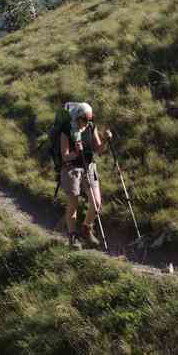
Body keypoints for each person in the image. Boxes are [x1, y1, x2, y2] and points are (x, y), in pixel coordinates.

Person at [55, 102, 113, 247]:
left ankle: (86, 229)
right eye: (85, 119)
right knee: (73, 204)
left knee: (97, 203)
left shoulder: (91, 126)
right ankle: (73, 237)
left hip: (89, 167)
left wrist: (105, 140)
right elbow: (65, 156)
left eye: (91, 118)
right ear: (77, 118)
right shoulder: (67, 130)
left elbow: (98, 149)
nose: (88, 122)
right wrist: (76, 153)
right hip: (71, 169)